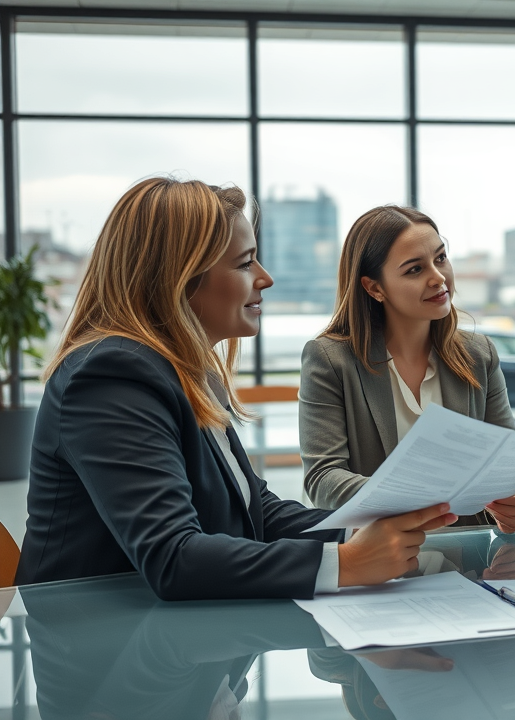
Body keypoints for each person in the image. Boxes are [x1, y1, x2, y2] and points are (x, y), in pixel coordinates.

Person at [16, 178, 454, 600]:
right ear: (180, 279)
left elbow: (255, 511)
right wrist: (347, 563)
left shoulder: (183, 371)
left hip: (182, 649)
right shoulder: (111, 377)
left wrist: (354, 532)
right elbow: (172, 558)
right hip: (107, 653)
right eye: (245, 263)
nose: (265, 278)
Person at [300, 205, 515, 532]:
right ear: (374, 288)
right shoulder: (330, 358)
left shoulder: (479, 355)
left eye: (440, 258)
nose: (438, 278)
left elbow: (506, 462)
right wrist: (411, 497)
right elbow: (323, 479)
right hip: (376, 560)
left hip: (467, 560)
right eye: (414, 270)